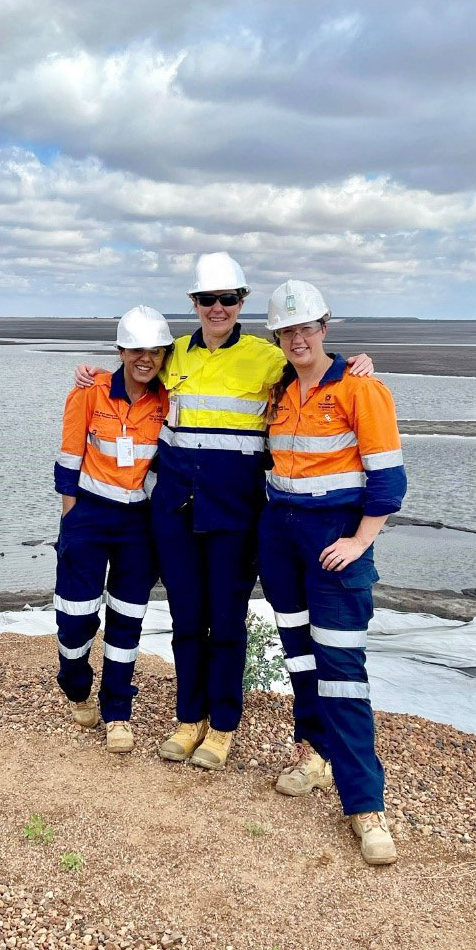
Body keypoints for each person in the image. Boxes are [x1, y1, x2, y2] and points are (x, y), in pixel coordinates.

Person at [74, 254, 375, 770]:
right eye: (208, 300)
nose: (218, 308)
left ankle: (222, 728)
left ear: (242, 302)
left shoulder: (265, 357)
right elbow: (138, 371)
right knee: (188, 621)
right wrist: (96, 374)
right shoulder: (175, 355)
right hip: (175, 513)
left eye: (228, 299)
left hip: (235, 516)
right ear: (194, 303)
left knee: (228, 623)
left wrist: (353, 364)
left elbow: (312, 363)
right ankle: (188, 720)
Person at [258, 279, 407, 866]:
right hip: (281, 535)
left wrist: (360, 539)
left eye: (307, 328)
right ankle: (312, 752)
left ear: (325, 328)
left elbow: (388, 480)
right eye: (287, 331)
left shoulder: (361, 389)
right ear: (278, 337)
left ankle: (366, 808)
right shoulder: (279, 391)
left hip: (332, 540)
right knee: (298, 652)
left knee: (341, 667)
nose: (298, 338)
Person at [54, 305, 172, 753]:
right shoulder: (90, 392)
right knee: (76, 614)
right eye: (137, 349)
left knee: (128, 617)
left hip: (139, 523)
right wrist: (71, 517)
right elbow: (67, 459)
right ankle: (75, 679)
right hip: (88, 515)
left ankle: (117, 710)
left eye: (155, 351)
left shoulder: (166, 398)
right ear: (121, 350)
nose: (146, 358)